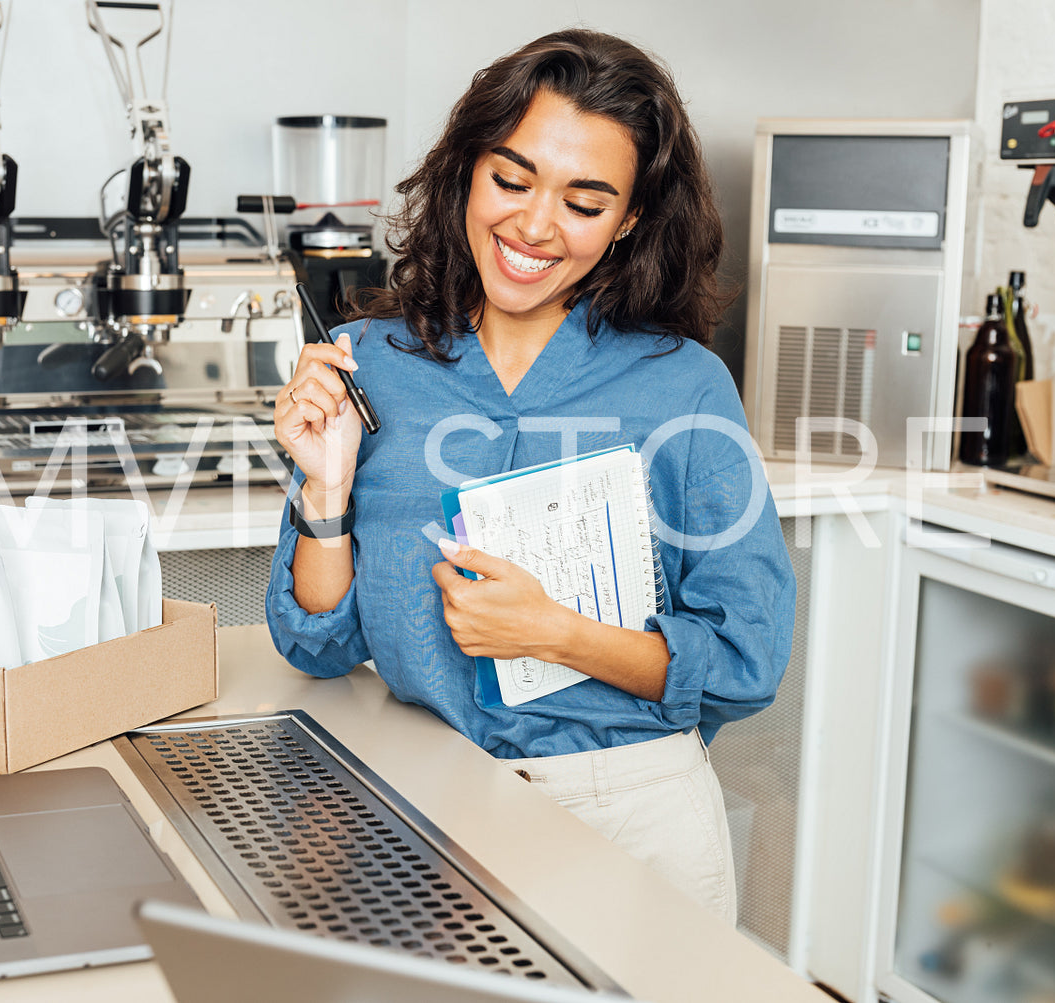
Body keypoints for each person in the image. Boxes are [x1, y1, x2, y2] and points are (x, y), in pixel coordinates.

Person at [265, 28, 795, 924]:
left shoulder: (681, 384)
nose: (534, 226)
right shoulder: (368, 362)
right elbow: (318, 644)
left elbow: (745, 660)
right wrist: (324, 491)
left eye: (584, 203)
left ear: (628, 220)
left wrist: (553, 632)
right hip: (422, 800)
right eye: (511, 180)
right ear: (468, 170)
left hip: (630, 818)